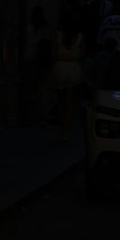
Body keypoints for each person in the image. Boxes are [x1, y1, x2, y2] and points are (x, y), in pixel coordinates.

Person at [50, 7, 86, 142]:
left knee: (60, 100)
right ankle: (66, 131)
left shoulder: (57, 35)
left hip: (59, 67)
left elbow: (52, 54)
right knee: (70, 102)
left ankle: (61, 129)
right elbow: (83, 53)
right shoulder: (80, 36)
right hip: (73, 67)